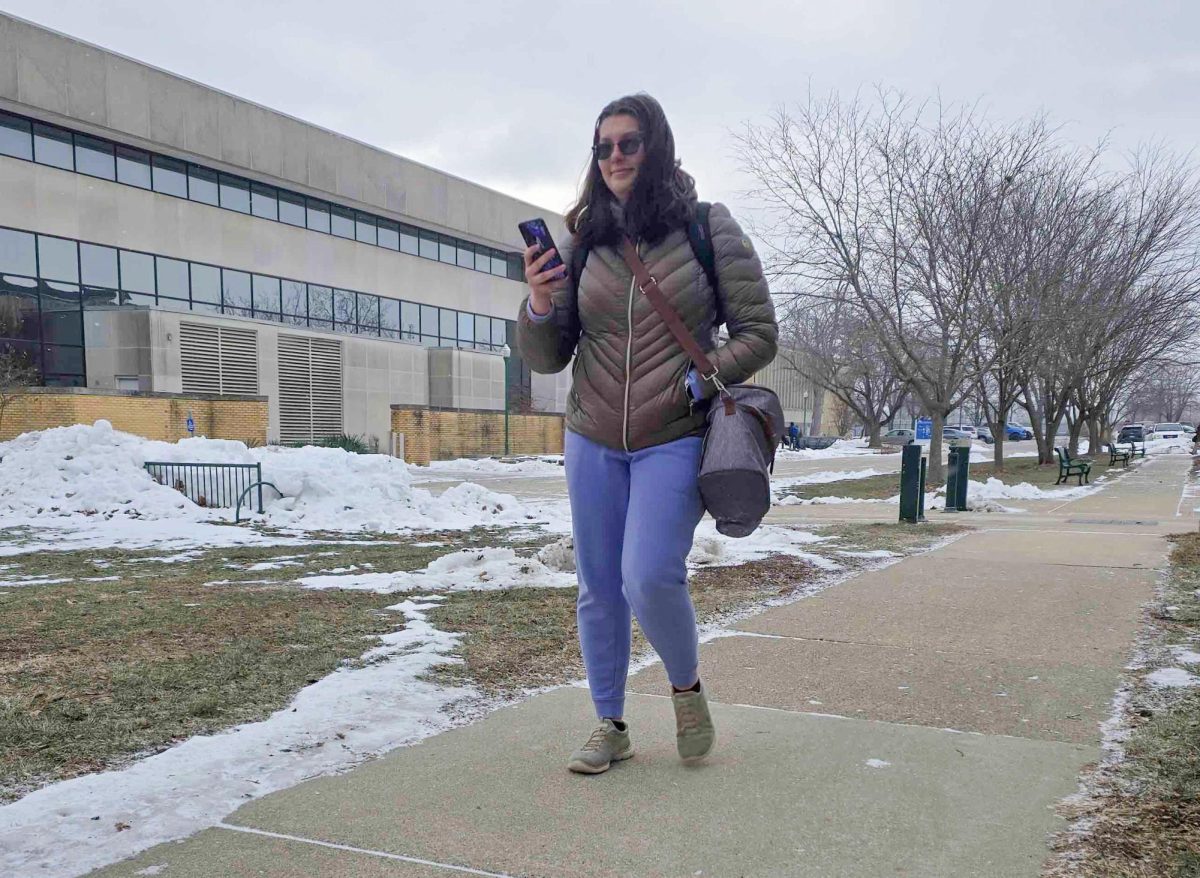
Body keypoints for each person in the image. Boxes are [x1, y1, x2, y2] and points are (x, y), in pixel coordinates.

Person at [518, 93, 777, 774]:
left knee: (648, 575)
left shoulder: (705, 228)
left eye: (627, 144)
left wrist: (700, 380)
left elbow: (760, 334)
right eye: (603, 147)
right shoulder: (585, 242)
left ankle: (686, 689)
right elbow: (549, 356)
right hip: (592, 436)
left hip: (674, 434)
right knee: (598, 586)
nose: (613, 158)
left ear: (655, 147)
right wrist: (540, 302)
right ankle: (609, 724)